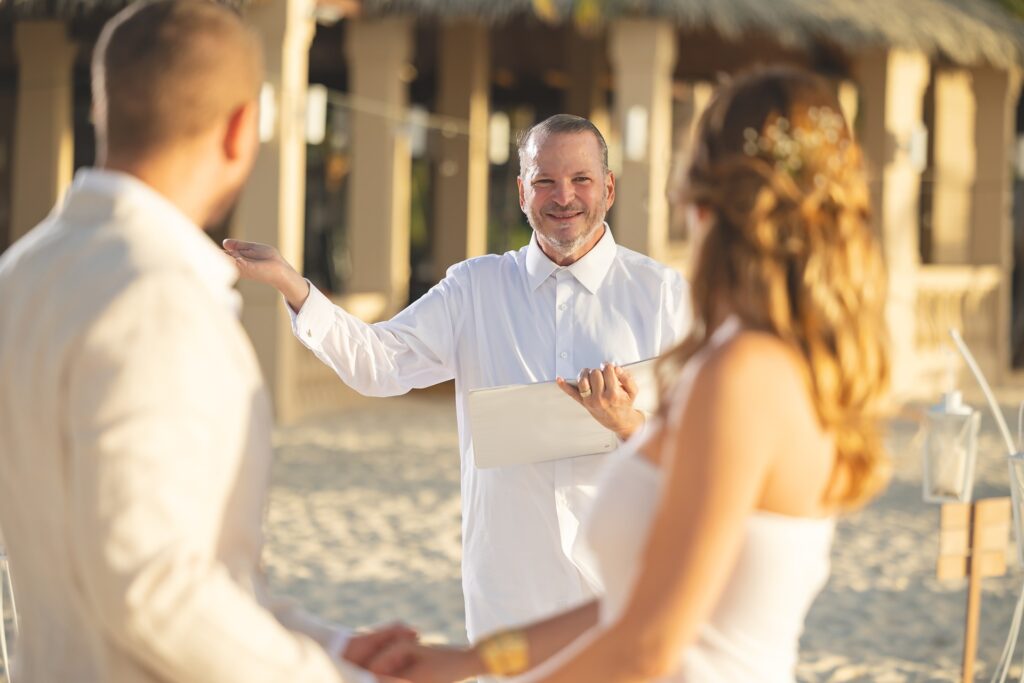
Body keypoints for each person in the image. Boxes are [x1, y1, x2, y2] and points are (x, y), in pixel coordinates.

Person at [363, 65, 891, 683]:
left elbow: (648, 643)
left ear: (707, 203)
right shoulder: (765, 359)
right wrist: (474, 659)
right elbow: (635, 602)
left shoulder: (744, 375)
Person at [0, 2, 412, 681]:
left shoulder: (22, 272)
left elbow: (195, 571)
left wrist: (331, 644)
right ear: (241, 129)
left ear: (106, 107)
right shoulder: (156, 295)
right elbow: (153, 587)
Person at [226, 114, 690, 650]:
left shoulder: (663, 297)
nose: (563, 196)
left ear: (607, 187)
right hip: (510, 586)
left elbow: (702, 450)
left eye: (581, 179)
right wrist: (293, 285)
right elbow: (379, 364)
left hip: (625, 578)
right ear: (521, 192)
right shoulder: (475, 288)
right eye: (545, 181)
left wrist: (628, 423)